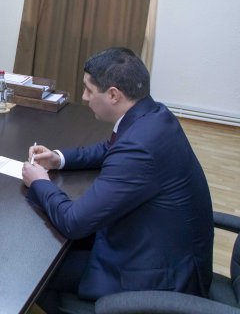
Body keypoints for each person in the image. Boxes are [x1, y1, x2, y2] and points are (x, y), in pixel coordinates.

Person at [22, 47, 213, 309]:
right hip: (155, 243)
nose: (84, 97)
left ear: (113, 95)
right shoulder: (153, 115)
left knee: (34, 270)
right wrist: (59, 158)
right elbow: (111, 148)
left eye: (89, 90)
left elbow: (74, 222)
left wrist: (39, 181)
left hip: (155, 279)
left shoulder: (139, 148)